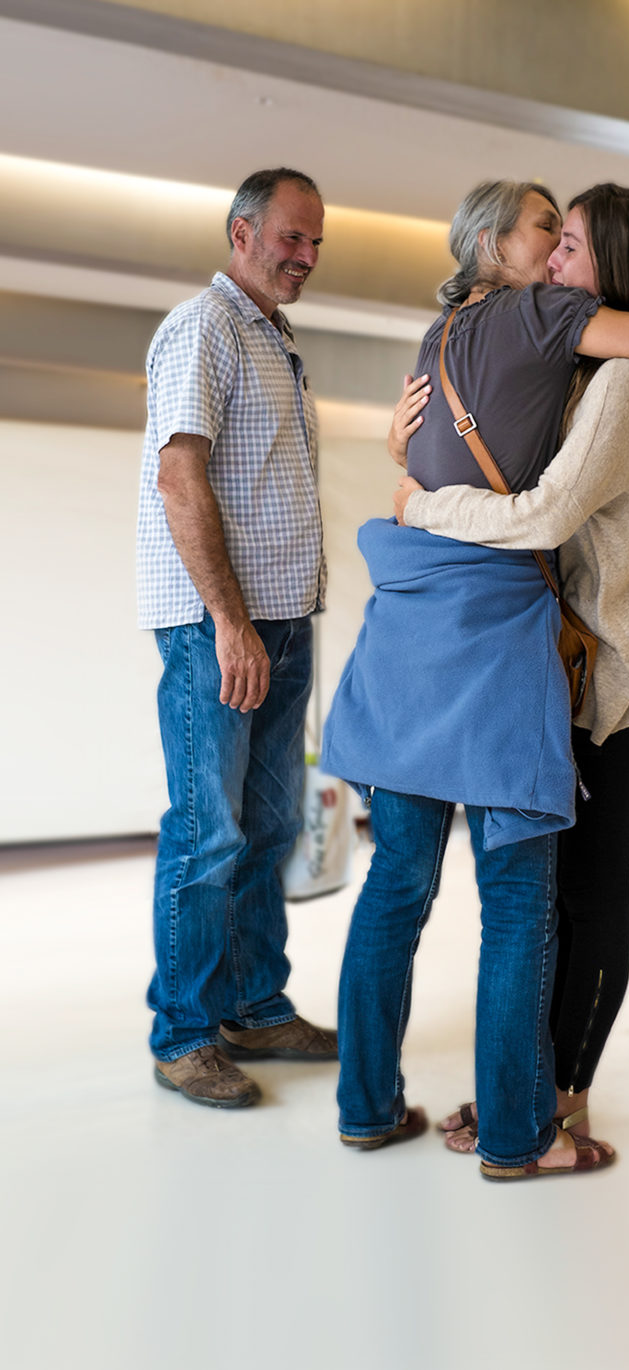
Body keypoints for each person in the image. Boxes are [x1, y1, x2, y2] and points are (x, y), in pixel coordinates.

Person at [322, 180, 629, 1179]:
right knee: (523, 902)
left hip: (587, 665)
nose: (555, 259)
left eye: (572, 243)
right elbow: (501, 482)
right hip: (516, 651)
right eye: (550, 237)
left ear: (612, 265)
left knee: (570, 895)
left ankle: (539, 1095)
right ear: (498, 244)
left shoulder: (603, 370)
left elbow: (540, 515)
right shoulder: (557, 352)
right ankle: (517, 1117)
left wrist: (418, 502)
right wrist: (415, 467)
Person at [137, 167, 337, 1110]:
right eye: (291, 237)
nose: (304, 257)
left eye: (314, 243)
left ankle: (255, 1006)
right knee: (207, 834)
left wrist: (273, 625)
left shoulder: (272, 339)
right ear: (242, 232)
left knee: (267, 829)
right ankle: (182, 1034)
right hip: (218, 631)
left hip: (282, 626)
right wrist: (229, 623)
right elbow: (183, 479)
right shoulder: (204, 327)